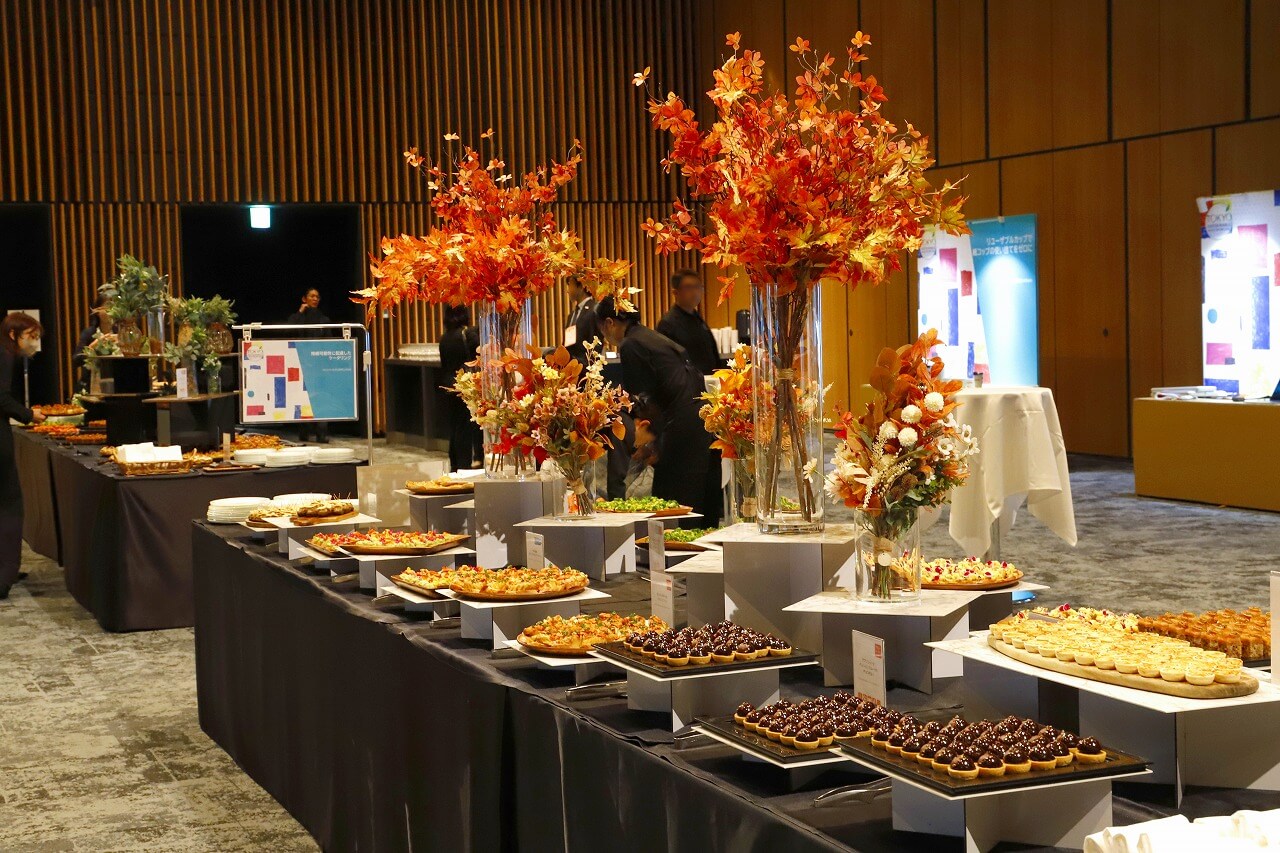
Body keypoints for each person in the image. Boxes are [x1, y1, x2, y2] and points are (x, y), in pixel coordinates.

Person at [596, 296, 721, 525]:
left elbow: (642, 398)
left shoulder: (631, 344)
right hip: (701, 422)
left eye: (602, 330)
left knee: (673, 512)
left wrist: (648, 440)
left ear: (609, 323)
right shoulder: (652, 337)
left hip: (679, 429)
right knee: (698, 508)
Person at [1, 312, 44, 599]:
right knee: (10, 505)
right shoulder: (4, 356)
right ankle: (4, 577)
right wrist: (29, 414)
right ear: (14, 335)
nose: (34, 343)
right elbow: (1, 398)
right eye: (31, 336)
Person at [439, 305, 483, 471]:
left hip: (448, 385)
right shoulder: (468, 334)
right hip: (465, 384)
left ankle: (455, 463)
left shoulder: (444, 338)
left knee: (454, 426)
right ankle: (465, 464)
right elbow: (480, 351)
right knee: (466, 426)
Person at [657, 269, 721, 376]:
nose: (695, 292)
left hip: (708, 379)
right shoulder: (667, 324)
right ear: (675, 292)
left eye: (698, 287)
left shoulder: (697, 318)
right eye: (688, 287)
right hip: (686, 382)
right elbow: (665, 362)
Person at [286, 288, 330, 442]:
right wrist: (300, 312)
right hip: (301, 363)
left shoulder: (324, 320)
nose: (315, 299)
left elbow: (329, 342)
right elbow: (288, 331)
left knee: (321, 399)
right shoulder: (297, 317)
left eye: (317, 296)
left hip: (319, 365)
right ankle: (304, 432)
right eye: (312, 296)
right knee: (303, 398)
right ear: (304, 298)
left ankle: (321, 434)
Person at [73, 293, 114, 391]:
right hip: (90, 385)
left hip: (115, 385)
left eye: (113, 307)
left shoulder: (120, 333)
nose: (110, 311)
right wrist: (93, 346)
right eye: (106, 307)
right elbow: (76, 360)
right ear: (97, 311)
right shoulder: (89, 333)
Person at [563, 276, 598, 365]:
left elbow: (596, 343)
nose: (568, 291)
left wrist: (589, 366)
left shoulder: (594, 310)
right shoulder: (572, 315)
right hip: (570, 366)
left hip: (586, 366)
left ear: (581, 286)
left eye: (570, 285)